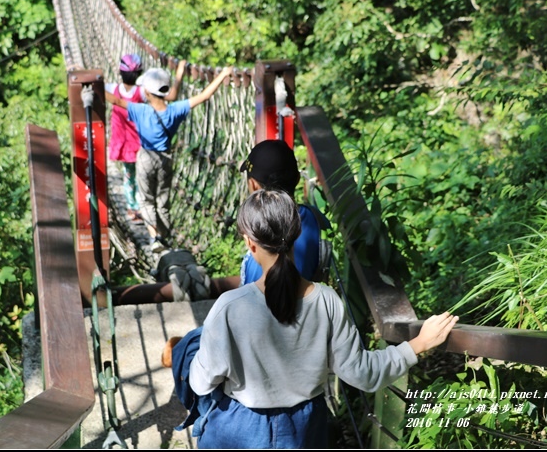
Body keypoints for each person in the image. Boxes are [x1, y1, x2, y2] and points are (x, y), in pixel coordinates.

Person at [185, 189, 458, 448]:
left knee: (188, 347)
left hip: (240, 429)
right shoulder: (327, 301)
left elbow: (201, 382)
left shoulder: (230, 307)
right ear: (297, 234)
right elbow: (362, 373)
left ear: (249, 243)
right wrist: (419, 343)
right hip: (305, 429)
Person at [112, 61, 233, 253]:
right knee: (163, 201)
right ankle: (165, 238)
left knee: (146, 200)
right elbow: (204, 96)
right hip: (166, 158)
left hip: (145, 158)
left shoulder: (140, 110)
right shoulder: (175, 110)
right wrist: (223, 73)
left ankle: (154, 238)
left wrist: (93, 88)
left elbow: (116, 101)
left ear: (148, 93)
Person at [238, 139, 330, 285]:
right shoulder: (315, 219)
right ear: (298, 179)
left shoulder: (265, 240)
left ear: (254, 186)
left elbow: (257, 293)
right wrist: (217, 285)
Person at [104, 54, 145, 224]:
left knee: (128, 175)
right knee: (141, 176)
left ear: (120, 73)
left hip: (122, 142)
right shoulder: (141, 92)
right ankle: (140, 207)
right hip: (140, 143)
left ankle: (131, 207)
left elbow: (96, 85)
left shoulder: (112, 88)